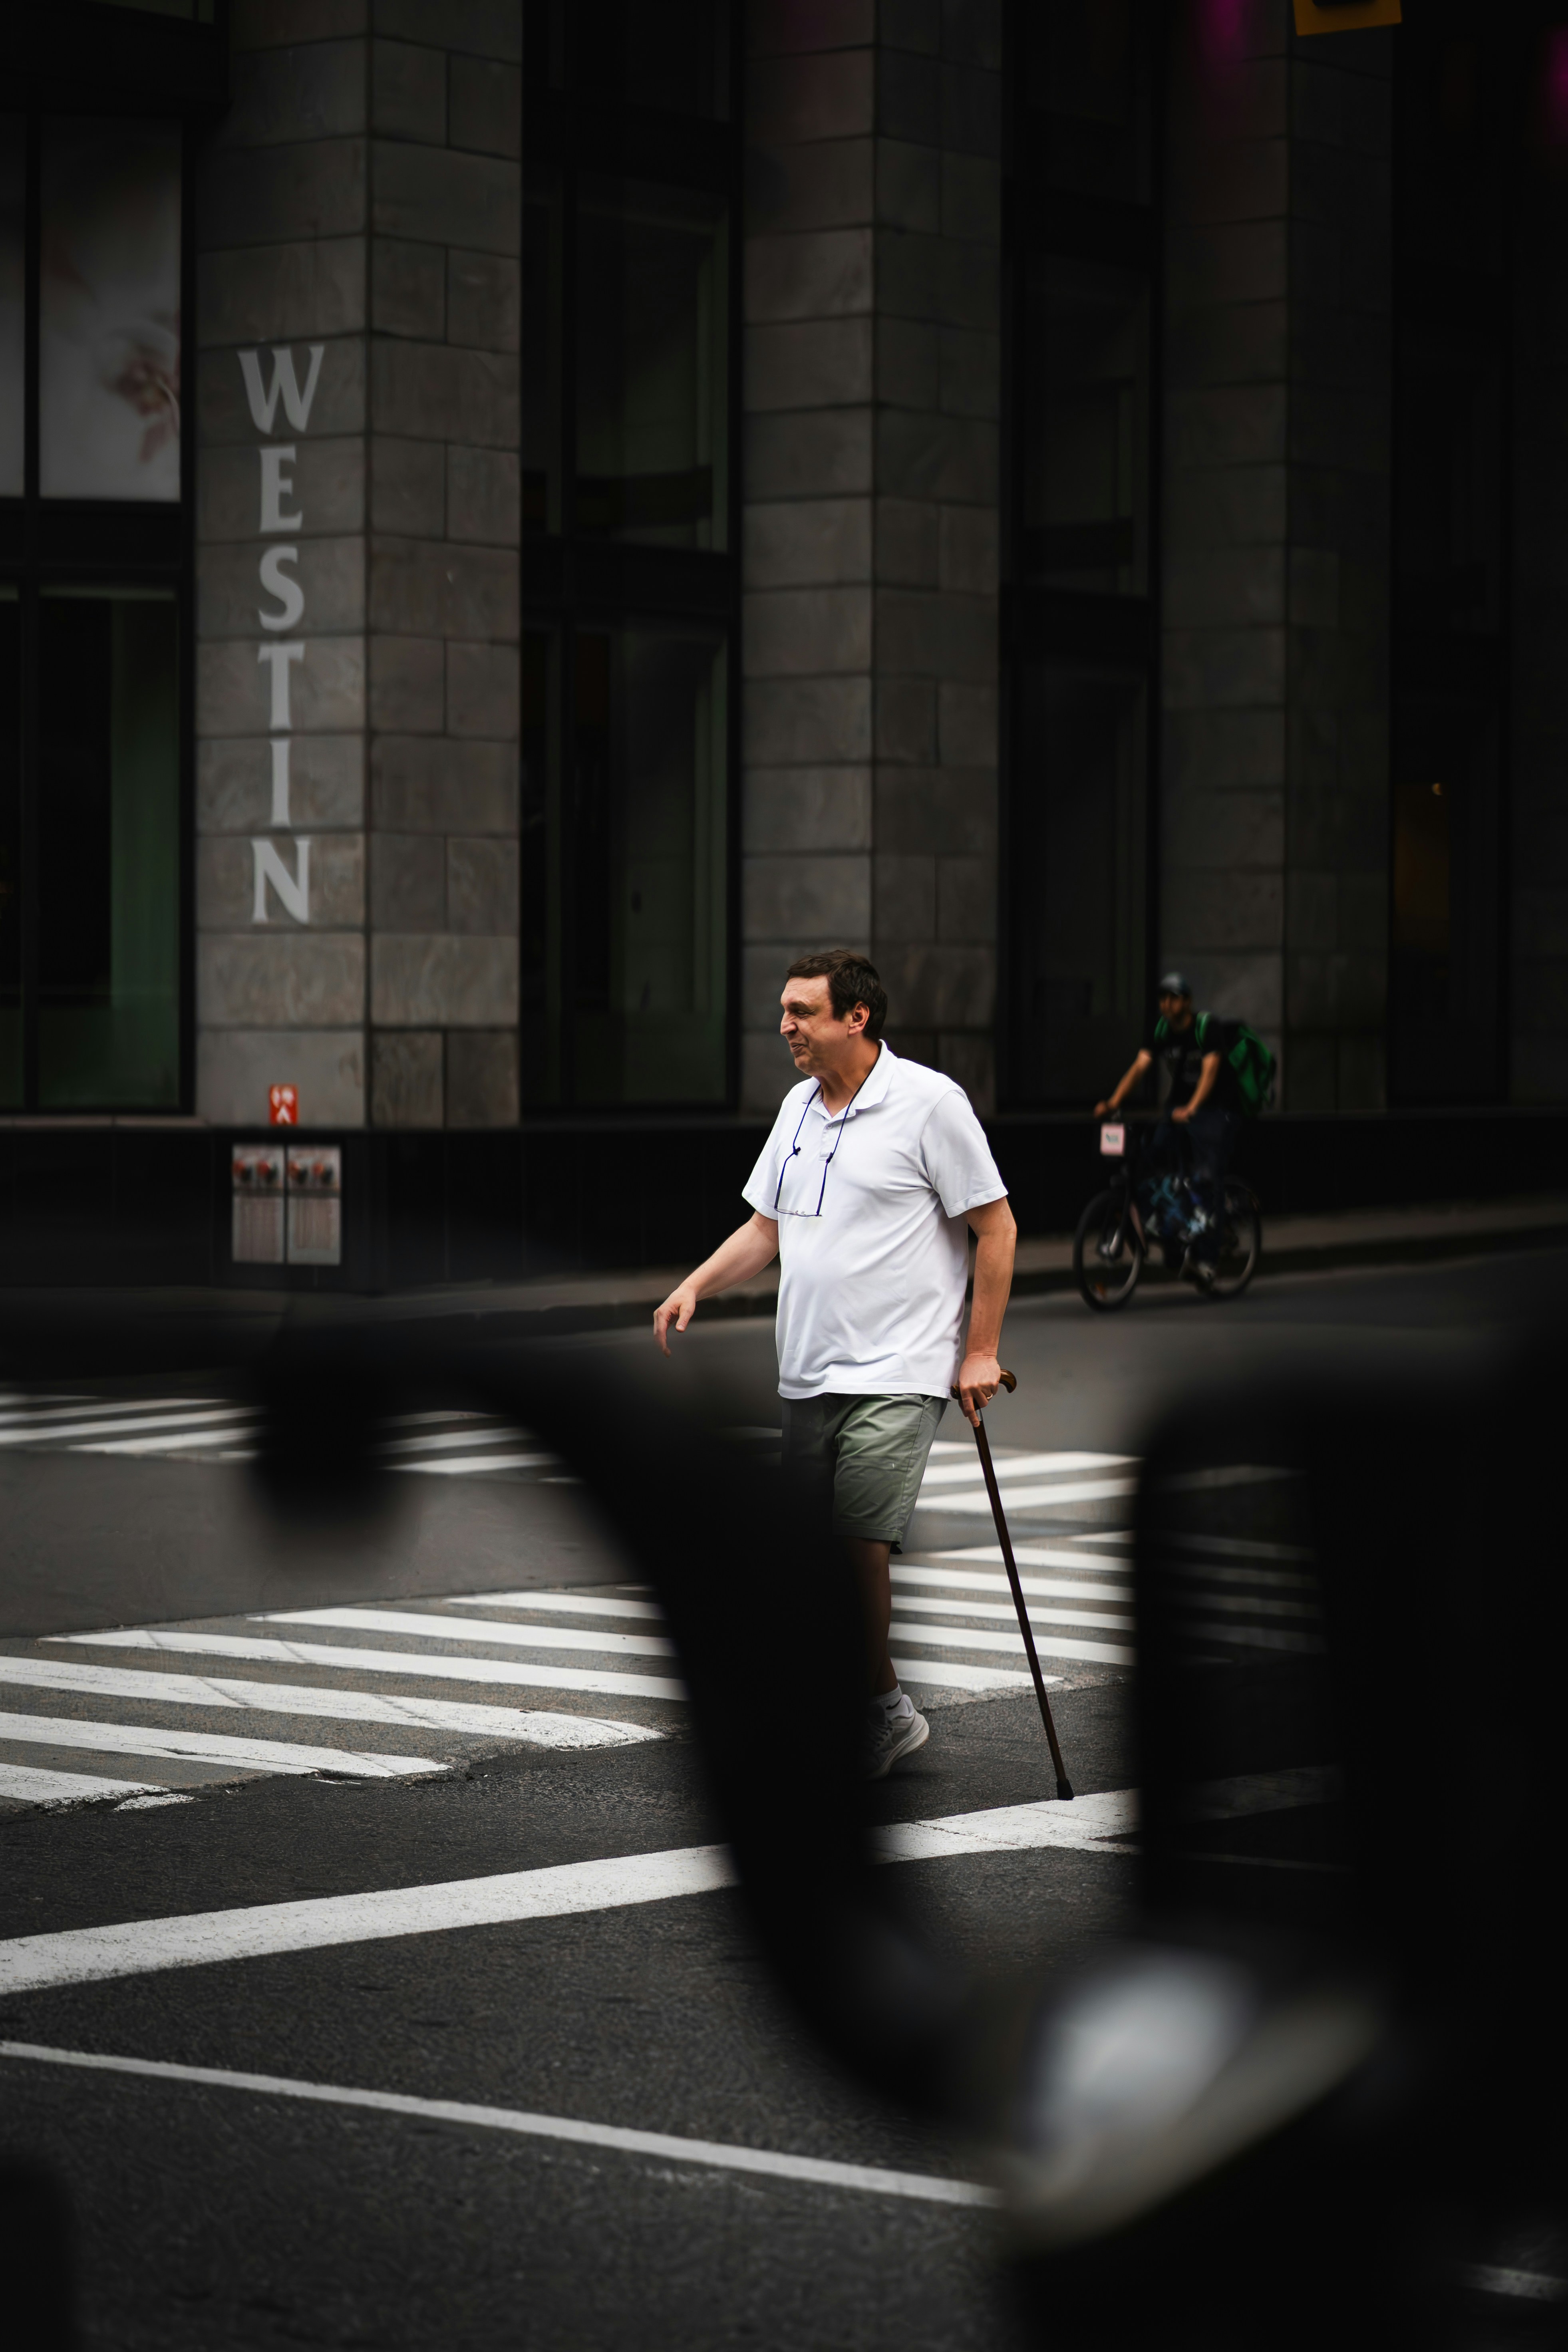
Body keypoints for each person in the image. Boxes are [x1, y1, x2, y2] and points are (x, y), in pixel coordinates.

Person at [654, 948, 1017, 1778]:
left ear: (857, 1017)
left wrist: (981, 1351)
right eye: (783, 1011)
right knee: (811, 1563)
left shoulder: (929, 1104)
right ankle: (883, 1704)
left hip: (897, 1370)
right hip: (807, 1370)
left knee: (857, 1548)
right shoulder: (797, 1108)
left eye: (801, 1012)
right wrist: (696, 1285)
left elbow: (996, 1228)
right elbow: (766, 1228)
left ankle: (850, 1719)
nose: (784, 1027)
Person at [1095, 971, 1243, 1287]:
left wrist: (1193, 1108)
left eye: (1173, 998)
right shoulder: (1162, 1030)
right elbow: (1140, 1066)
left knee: (1206, 1177)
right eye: (1163, 998)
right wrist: (1112, 1102)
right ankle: (1173, 1228)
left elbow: (1210, 1071)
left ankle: (1207, 1259)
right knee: (1149, 1157)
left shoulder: (1206, 1027)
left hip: (1215, 1109)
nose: (1166, 1004)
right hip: (1178, 1109)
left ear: (1186, 1002)